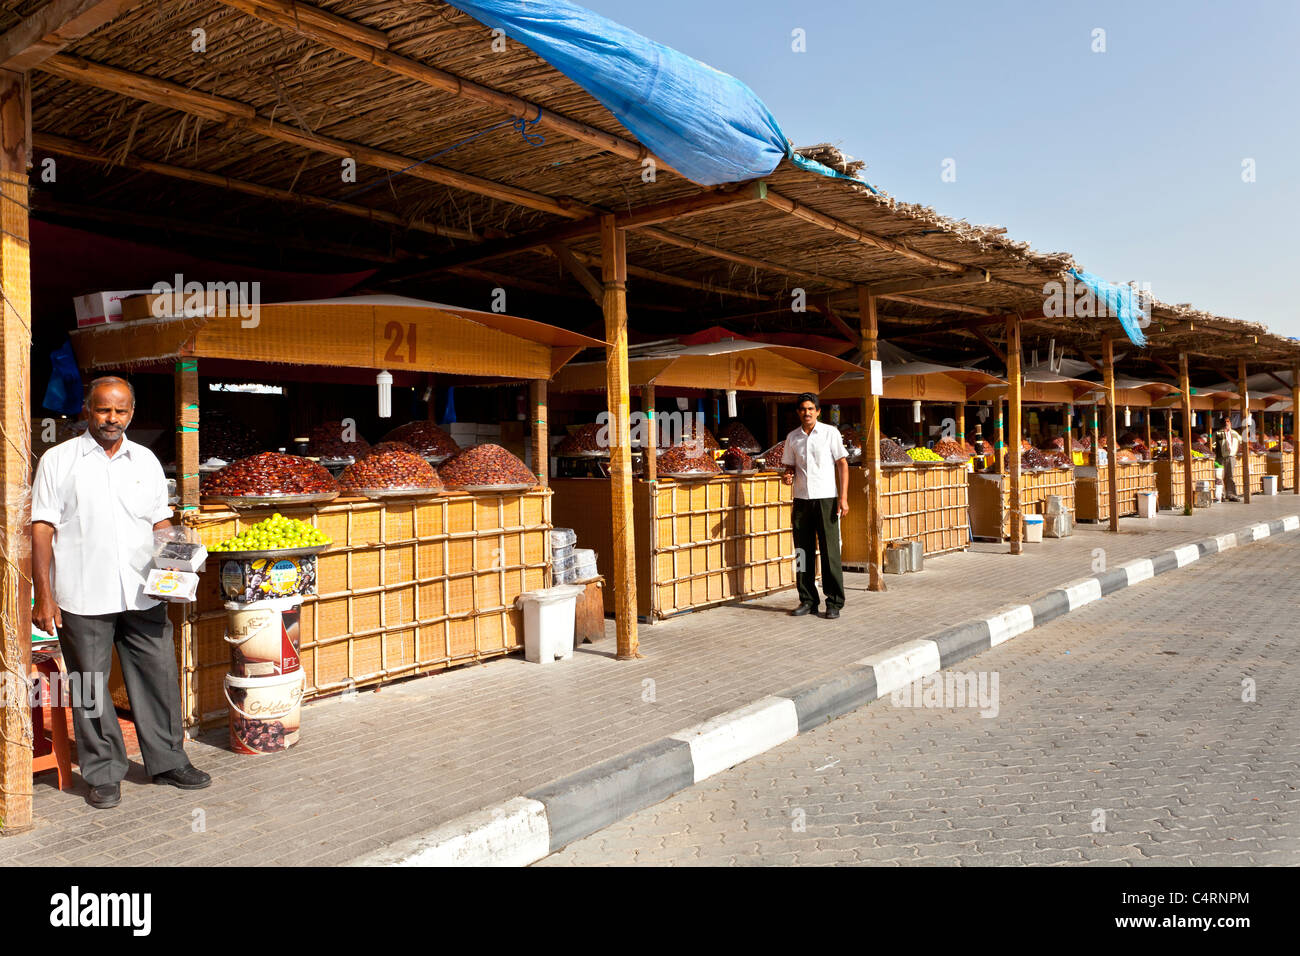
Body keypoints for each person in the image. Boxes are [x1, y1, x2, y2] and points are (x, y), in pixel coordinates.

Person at [32, 376, 210, 809]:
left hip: (142, 592)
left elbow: (158, 521)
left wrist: (178, 565)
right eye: (103, 410)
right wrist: (44, 594)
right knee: (90, 685)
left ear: (131, 413)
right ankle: (104, 772)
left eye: (121, 411)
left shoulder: (144, 460)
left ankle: (168, 761)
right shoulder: (58, 460)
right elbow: (41, 527)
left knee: (158, 676)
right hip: (82, 593)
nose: (112, 419)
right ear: (87, 410)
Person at [781, 393, 849, 619]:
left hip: (827, 498)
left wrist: (843, 497)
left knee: (830, 553)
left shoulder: (830, 433)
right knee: (802, 551)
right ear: (798, 412)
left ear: (818, 411)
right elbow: (789, 467)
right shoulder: (792, 438)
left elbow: (842, 464)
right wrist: (788, 475)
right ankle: (807, 599)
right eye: (802, 409)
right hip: (801, 500)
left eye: (811, 409)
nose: (807, 412)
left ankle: (834, 602)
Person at [1217, 415, 1242, 502]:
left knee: (1230, 476)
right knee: (1220, 477)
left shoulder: (1235, 433)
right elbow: (1211, 444)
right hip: (1220, 458)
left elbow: (1241, 442)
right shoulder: (1218, 434)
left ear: (1230, 423)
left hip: (1231, 457)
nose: (1226, 423)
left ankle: (1231, 495)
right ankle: (1222, 495)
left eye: (1228, 422)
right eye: (1225, 422)